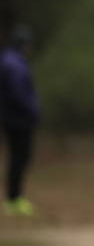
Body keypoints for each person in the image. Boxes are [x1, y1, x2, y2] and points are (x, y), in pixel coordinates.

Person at [1, 25, 39, 216]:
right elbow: (18, 94)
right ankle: (14, 199)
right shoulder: (14, 64)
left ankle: (14, 198)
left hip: (12, 119)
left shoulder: (9, 61)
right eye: (29, 45)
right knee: (19, 159)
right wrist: (32, 110)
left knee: (17, 159)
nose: (30, 49)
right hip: (18, 120)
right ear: (22, 45)